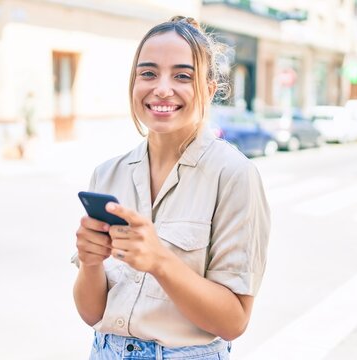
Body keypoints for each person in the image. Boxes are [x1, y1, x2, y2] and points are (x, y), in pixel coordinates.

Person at [72, 16, 271, 359]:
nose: (162, 89)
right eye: (148, 73)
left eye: (182, 76)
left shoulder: (234, 175)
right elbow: (93, 313)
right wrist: (90, 263)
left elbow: (234, 321)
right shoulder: (107, 174)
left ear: (209, 89)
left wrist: (160, 261)